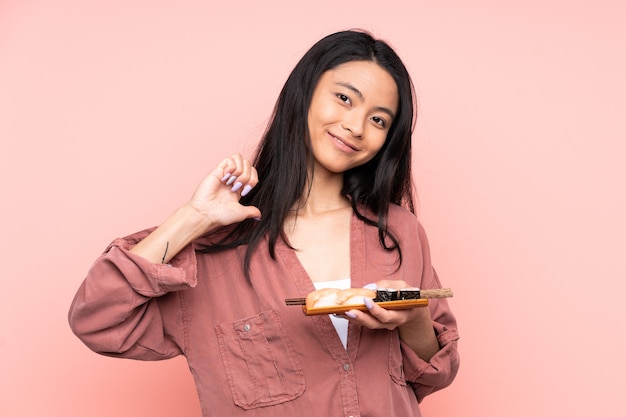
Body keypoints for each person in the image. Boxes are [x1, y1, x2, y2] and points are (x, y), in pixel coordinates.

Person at [68, 30, 460, 417]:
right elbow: (96, 318)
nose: (356, 126)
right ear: (304, 93)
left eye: (378, 119)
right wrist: (195, 217)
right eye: (344, 98)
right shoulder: (213, 253)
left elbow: (433, 375)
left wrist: (414, 318)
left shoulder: (399, 232)